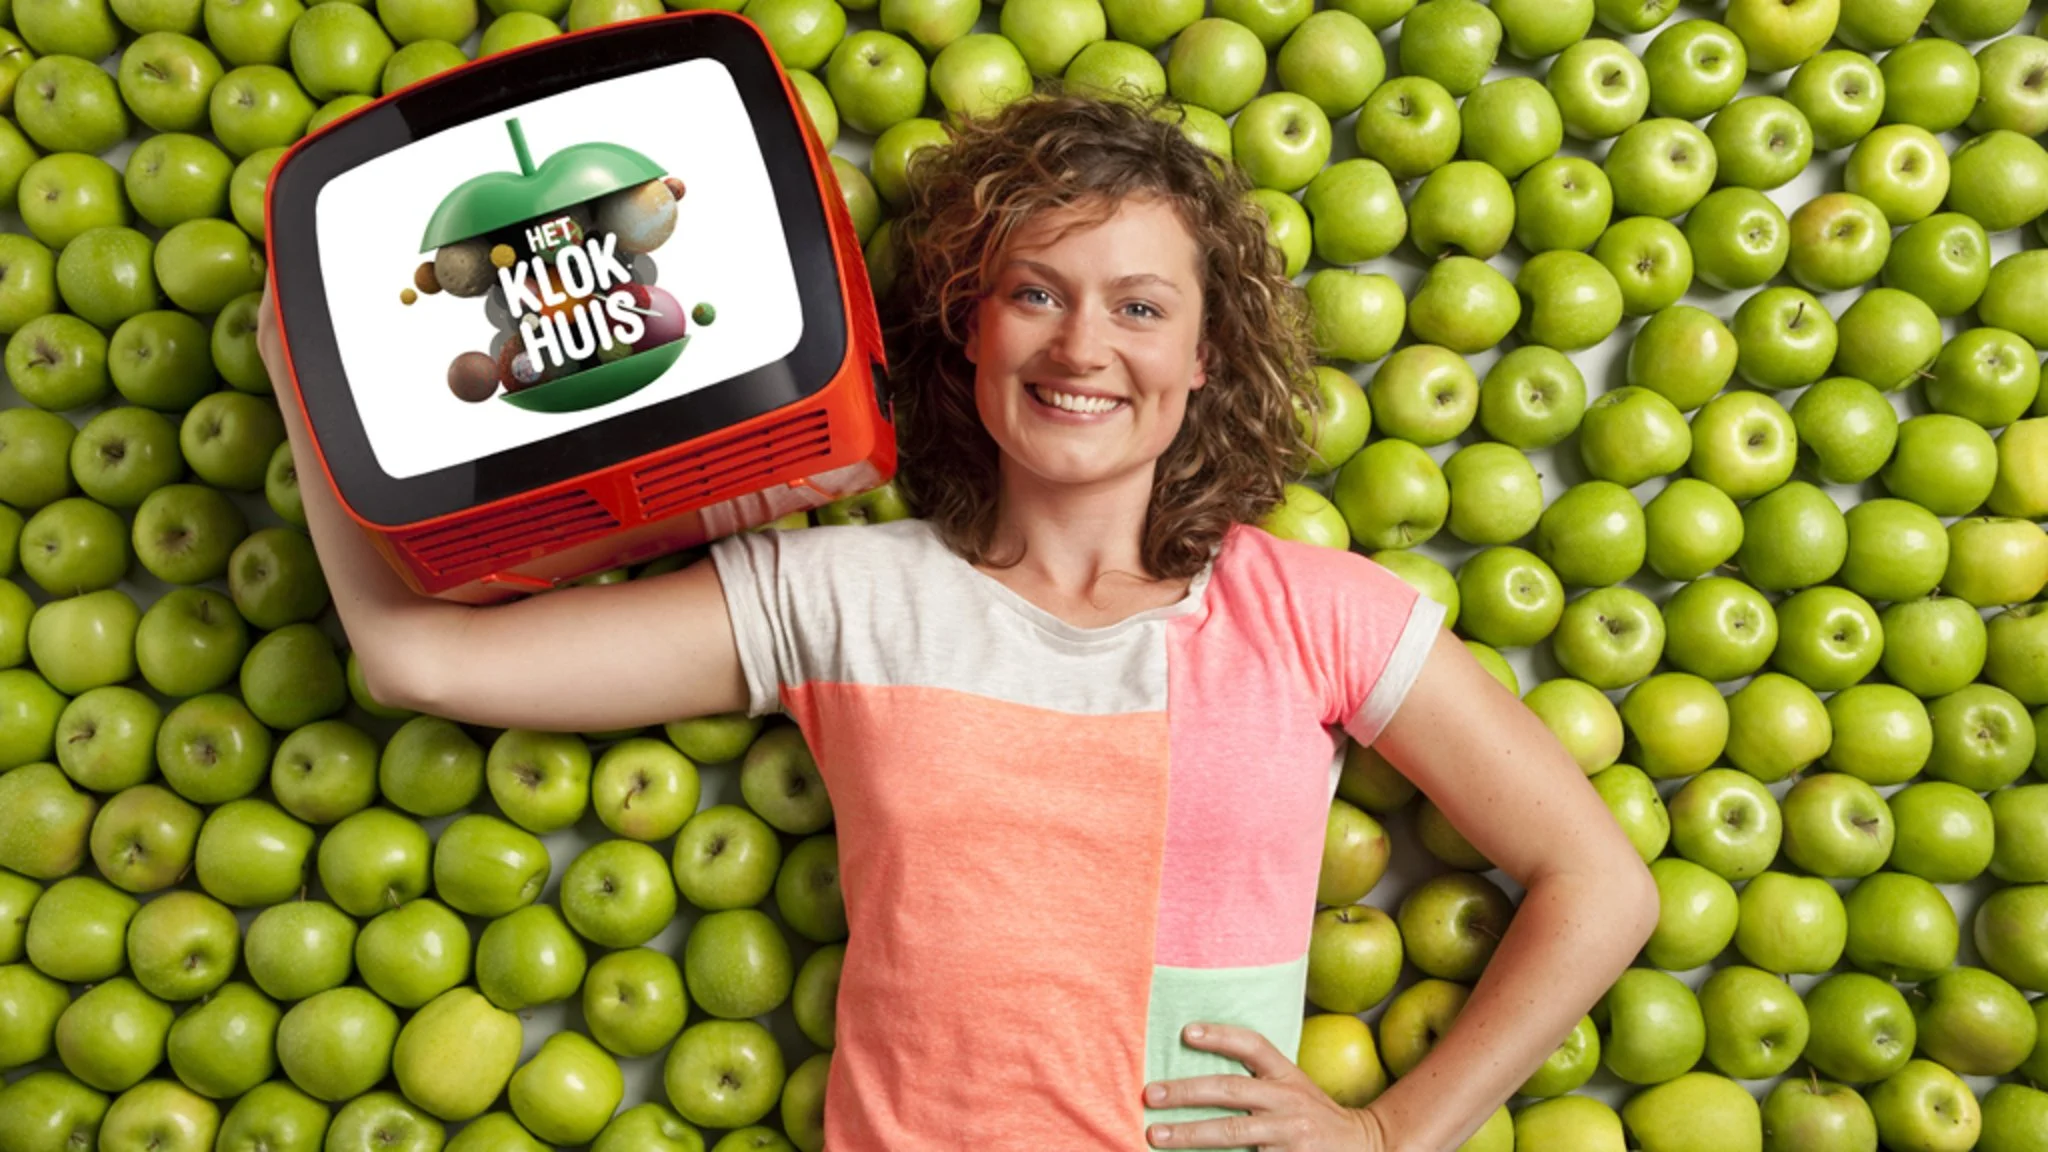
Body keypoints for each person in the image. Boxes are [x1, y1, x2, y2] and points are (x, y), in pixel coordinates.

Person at [258, 89, 1658, 1152]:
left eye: (1140, 306)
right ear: (967, 331)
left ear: (1202, 356)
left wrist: (1388, 1134)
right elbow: (417, 654)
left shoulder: (1316, 613)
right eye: (1035, 294)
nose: (1080, 346)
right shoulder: (845, 595)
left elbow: (1604, 886)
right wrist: (296, 367)